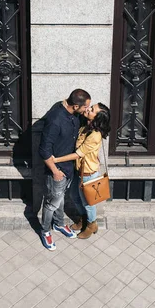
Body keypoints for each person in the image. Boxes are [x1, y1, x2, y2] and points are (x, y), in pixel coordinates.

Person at [38, 88, 91, 251]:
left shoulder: (73, 114)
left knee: (60, 198)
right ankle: (45, 231)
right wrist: (55, 171)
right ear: (75, 106)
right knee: (51, 203)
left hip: (69, 169)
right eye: (85, 107)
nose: (87, 110)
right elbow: (44, 150)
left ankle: (59, 224)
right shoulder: (56, 119)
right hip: (58, 171)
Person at [53, 103, 110, 240]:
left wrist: (56, 160)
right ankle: (83, 219)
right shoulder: (86, 126)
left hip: (88, 174)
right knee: (74, 196)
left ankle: (92, 225)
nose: (88, 109)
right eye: (90, 107)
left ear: (97, 118)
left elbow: (79, 154)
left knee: (88, 203)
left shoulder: (95, 135)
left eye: (92, 110)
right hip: (79, 171)